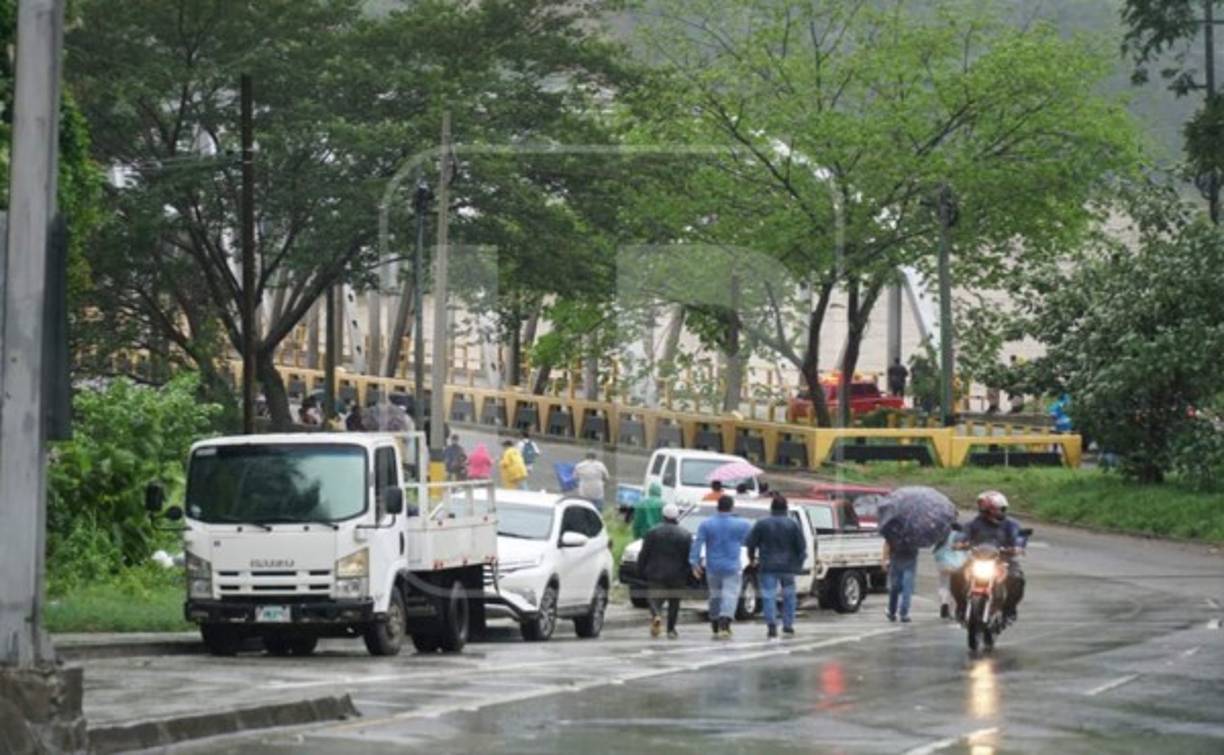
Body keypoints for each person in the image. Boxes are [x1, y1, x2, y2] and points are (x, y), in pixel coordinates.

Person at [953, 491, 1026, 622]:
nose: (999, 512)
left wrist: (1017, 547)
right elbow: (963, 533)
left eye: (1001, 509)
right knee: (957, 575)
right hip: (977, 559)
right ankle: (961, 606)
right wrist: (959, 542)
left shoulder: (1010, 524)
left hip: (1003, 560)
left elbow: (1018, 536)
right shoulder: (975, 523)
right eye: (996, 509)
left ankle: (1009, 610)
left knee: (1016, 578)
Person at [689, 494, 752, 639]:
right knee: (730, 593)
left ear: (717, 507)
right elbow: (750, 541)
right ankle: (725, 620)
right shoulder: (742, 524)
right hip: (732, 565)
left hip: (713, 566)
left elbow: (698, 543)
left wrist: (694, 562)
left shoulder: (706, 524)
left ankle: (714, 620)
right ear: (731, 507)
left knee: (715, 595)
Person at [745, 493, 806, 639]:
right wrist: (798, 564)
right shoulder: (792, 524)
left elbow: (751, 543)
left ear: (771, 508)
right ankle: (788, 624)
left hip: (767, 566)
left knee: (769, 596)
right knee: (789, 596)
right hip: (788, 567)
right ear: (786, 508)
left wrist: (752, 558)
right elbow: (801, 547)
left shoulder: (762, 523)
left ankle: (771, 625)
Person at [637, 503, 692, 640]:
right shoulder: (685, 534)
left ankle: (656, 615)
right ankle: (671, 629)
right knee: (674, 603)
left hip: (656, 572)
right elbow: (688, 557)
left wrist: (640, 569)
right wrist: (688, 573)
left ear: (663, 516)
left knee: (653, 598)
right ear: (677, 516)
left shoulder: (652, 532)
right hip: (677, 574)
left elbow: (644, 553)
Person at [881, 516, 919, 623]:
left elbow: (887, 544)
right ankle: (903, 613)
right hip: (909, 561)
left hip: (896, 560)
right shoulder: (916, 528)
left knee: (895, 587)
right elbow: (920, 543)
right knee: (906, 587)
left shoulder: (893, 527)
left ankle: (892, 611)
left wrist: (884, 560)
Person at [932, 526, 967, 620]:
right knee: (954, 587)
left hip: (942, 563)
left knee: (943, 585)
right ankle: (951, 609)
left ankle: (944, 604)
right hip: (956, 564)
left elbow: (936, 549)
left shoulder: (942, 534)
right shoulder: (961, 535)